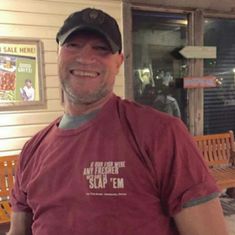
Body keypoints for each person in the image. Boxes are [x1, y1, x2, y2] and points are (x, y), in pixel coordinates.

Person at [8, 7, 228, 235]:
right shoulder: (32, 151)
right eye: (73, 45)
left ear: (119, 62)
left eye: (101, 49)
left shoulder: (161, 134)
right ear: (58, 54)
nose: (85, 57)